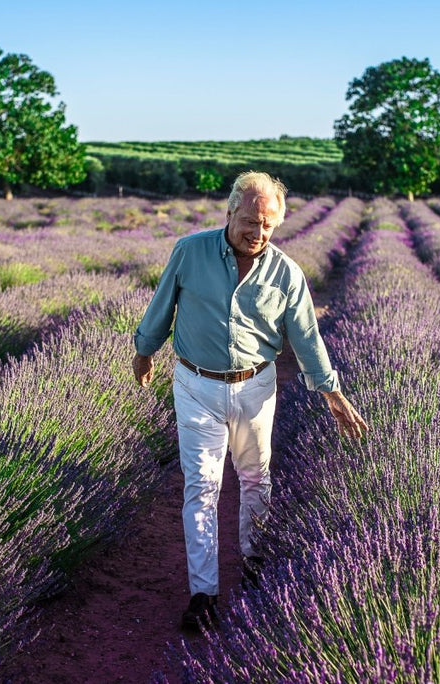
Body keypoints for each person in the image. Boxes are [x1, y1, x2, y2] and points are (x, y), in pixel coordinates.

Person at [131, 171, 368, 630]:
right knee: (201, 487)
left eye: (267, 226)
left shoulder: (287, 273)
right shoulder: (190, 251)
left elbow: (307, 338)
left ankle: (255, 559)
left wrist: (332, 393)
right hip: (196, 385)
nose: (257, 233)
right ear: (230, 212)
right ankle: (204, 594)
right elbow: (162, 306)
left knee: (256, 479)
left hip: (256, 388)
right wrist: (144, 351)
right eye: (250, 221)